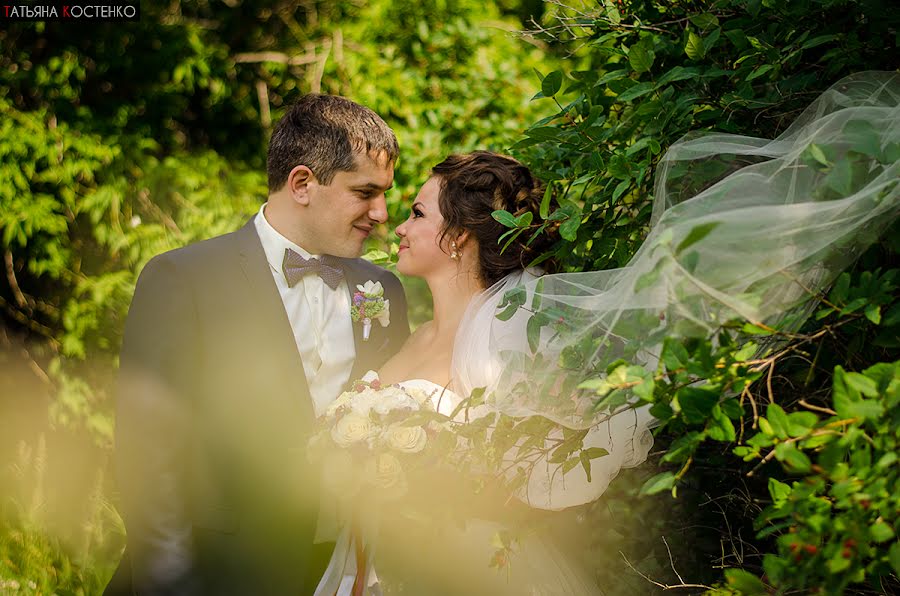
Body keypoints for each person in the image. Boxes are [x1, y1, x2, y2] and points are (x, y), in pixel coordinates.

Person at [318, 71, 899, 594]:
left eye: (418, 214)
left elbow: (539, 476)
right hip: (375, 563)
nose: (397, 225)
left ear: (458, 237)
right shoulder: (412, 333)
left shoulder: (507, 332)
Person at [106, 94, 410, 596]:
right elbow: (148, 459)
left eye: (385, 194)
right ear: (303, 183)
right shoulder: (184, 279)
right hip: (217, 572)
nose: (381, 212)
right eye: (365, 192)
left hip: (343, 570)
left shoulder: (382, 292)